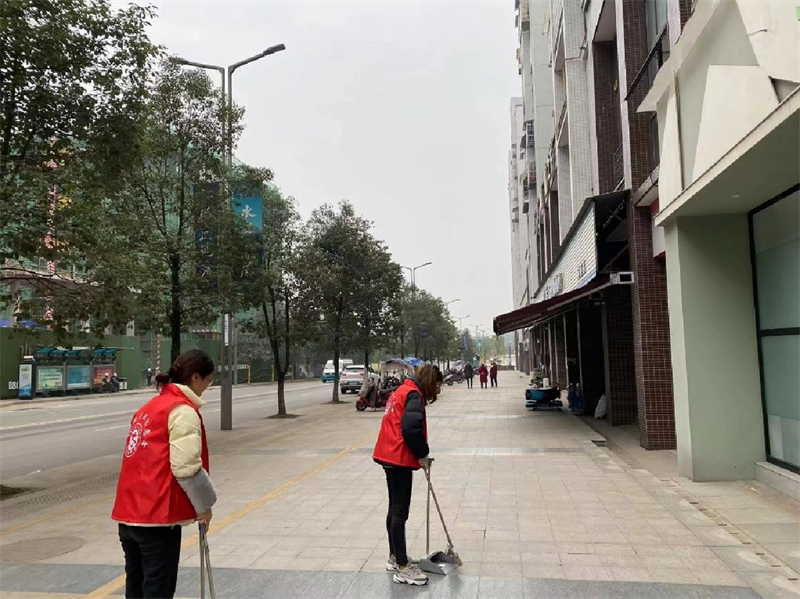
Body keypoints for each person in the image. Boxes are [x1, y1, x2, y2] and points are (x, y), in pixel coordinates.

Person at [112, 349, 218, 599]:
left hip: (129, 515)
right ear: (195, 377)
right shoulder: (182, 411)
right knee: (158, 590)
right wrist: (205, 506)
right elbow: (187, 469)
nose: (208, 386)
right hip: (158, 518)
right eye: (209, 380)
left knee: (136, 586)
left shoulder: (149, 407)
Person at [373, 364, 442, 586]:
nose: (437, 390)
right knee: (400, 512)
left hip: (388, 454)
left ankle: (395, 556)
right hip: (398, 458)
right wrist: (422, 453)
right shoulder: (413, 395)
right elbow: (411, 429)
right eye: (437, 385)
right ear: (431, 381)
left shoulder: (402, 390)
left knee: (394, 509)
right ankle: (403, 568)